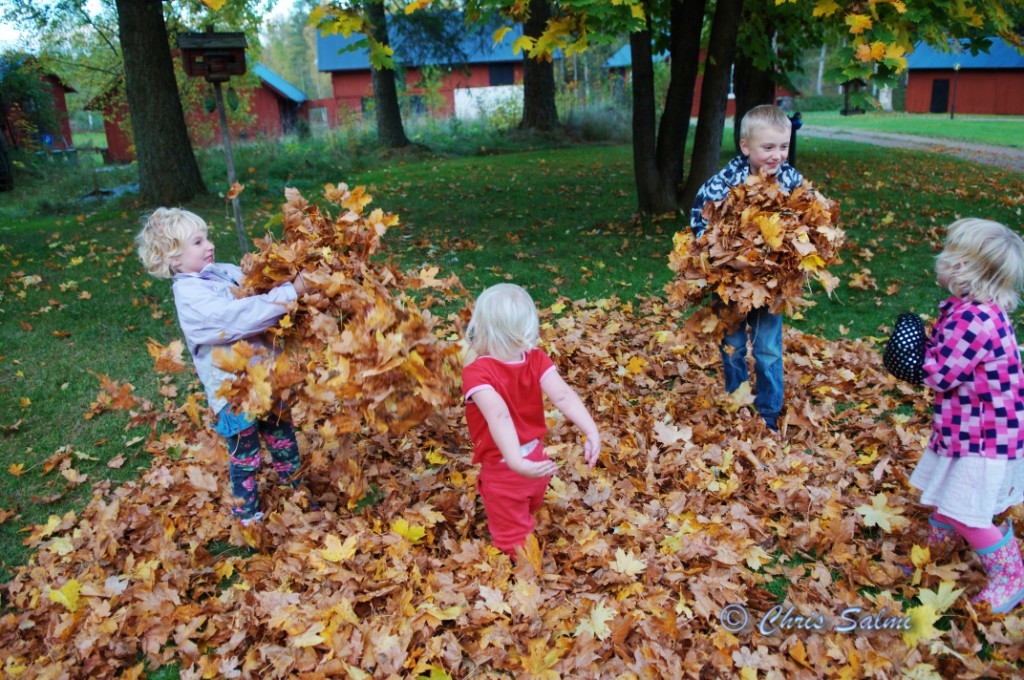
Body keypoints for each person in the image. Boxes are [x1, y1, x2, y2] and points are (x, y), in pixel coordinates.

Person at [136, 207, 311, 526]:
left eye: (207, 238)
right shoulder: (191, 298)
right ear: (173, 258)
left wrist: (280, 273)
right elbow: (238, 318)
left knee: (283, 437)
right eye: (198, 242)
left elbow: (254, 288)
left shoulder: (219, 272)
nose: (209, 245)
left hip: (267, 377)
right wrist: (290, 292)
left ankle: (296, 491)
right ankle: (248, 516)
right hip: (234, 394)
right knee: (246, 455)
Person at [909, 218, 1024, 614]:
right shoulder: (974, 310)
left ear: (961, 268)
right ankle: (938, 552)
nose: (939, 258)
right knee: (949, 489)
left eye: (947, 253)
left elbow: (940, 374)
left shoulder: (974, 320)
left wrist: (911, 359)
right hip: (967, 427)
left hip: (985, 436)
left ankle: (1011, 575)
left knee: (967, 509)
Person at [462, 283, 601, 557]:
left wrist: (515, 461)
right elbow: (563, 396)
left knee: (513, 539)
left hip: (506, 467)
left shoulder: (477, 373)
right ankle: (522, 513)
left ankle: (524, 574)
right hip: (538, 457)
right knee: (523, 507)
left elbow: (499, 415)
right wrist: (591, 430)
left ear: (481, 327)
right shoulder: (536, 359)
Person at [689, 104, 804, 432]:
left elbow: (809, 222)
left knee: (768, 348)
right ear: (745, 146)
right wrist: (725, 255)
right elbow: (699, 220)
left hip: (771, 283)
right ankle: (737, 402)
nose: (777, 155)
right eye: (768, 147)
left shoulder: (791, 181)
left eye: (783, 146)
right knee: (733, 345)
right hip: (731, 282)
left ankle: (768, 411)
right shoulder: (724, 183)